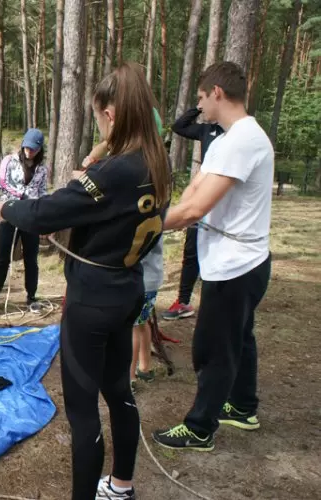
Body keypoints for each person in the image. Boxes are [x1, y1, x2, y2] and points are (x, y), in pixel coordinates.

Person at [0, 63, 171, 500]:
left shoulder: (115, 172)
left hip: (92, 299)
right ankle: (122, 485)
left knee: (83, 409)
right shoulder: (155, 160)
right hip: (127, 290)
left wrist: (5, 209)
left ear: (111, 114)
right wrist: (92, 166)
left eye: (98, 117)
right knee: (119, 390)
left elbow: (40, 214)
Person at [153, 62, 273, 451]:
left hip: (238, 264)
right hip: (230, 260)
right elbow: (192, 193)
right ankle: (242, 406)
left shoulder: (244, 140)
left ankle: (200, 427)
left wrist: (137, 227)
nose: (199, 106)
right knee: (240, 337)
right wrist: (162, 217)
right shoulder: (224, 139)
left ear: (217, 93)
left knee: (214, 348)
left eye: (201, 98)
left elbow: (193, 210)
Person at [161, 107, 224, 321]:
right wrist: (198, 108)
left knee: (215, 253)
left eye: (202, 98)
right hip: (201, 195)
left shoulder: (235, 134)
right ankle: (183, 301)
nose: (201, 104)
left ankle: (213, 305)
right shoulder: (207, 130)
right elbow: (179, 126)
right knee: (191, 251)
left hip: (221, 203)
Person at [0, 128, 48, 312]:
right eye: (27, 147)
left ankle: (31, 297)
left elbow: (42, 192)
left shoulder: (42, 169)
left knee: (31, 259)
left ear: (39, 149)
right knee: (3, 258)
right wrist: (21, 195)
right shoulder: (9, 160)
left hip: (31, 217)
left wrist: (44, 210)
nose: (29, 151)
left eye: (33, 149)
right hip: (10, 213)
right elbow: (2, 183)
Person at [130, 238, 163, 393]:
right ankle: (144, 368)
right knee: (142, 322)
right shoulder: (156, 213)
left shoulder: (138, 215)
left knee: (132, 328)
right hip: (151, 280)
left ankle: (129, 378)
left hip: (137, 280)